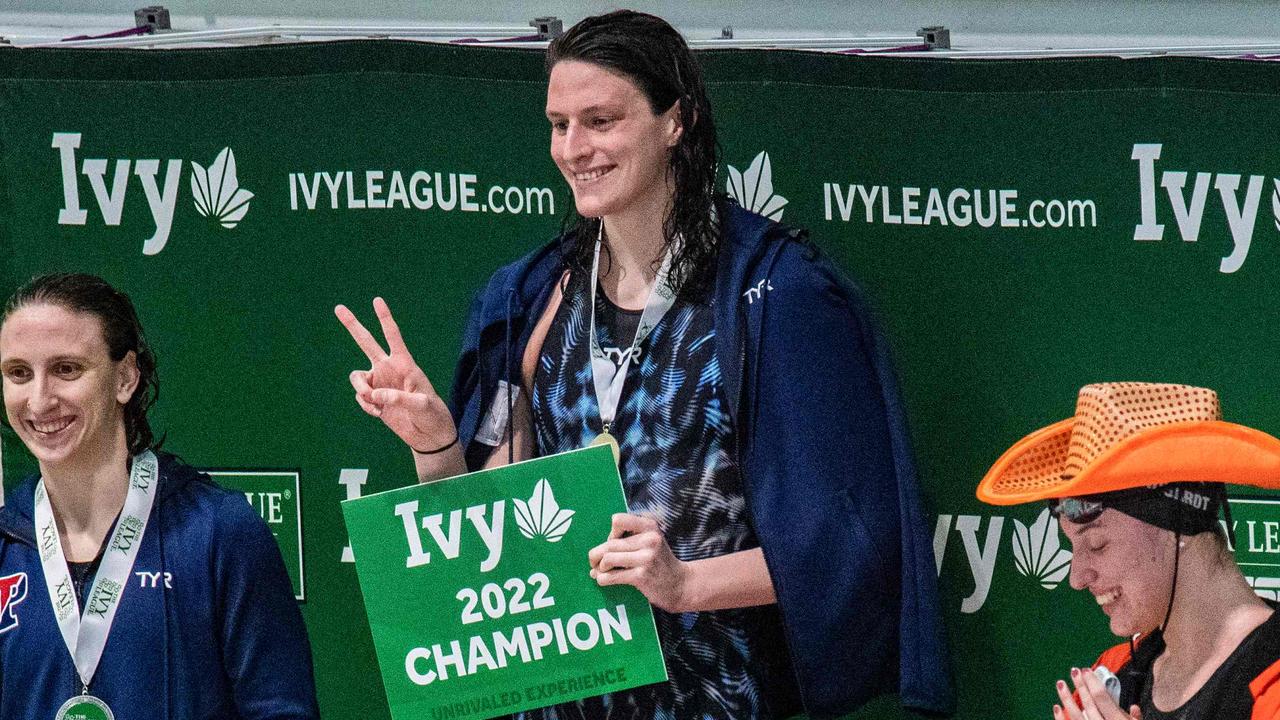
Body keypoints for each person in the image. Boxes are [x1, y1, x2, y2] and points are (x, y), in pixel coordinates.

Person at [337, 10, 953, 719]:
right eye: (558, 124)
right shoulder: (529, 298)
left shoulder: (774, 294)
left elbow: (851, 551)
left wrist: (684, 584)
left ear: (676, 121)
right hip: (560, 699)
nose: (574, 148)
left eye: (601, 120)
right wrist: (435, 444)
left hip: (721, 697)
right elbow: (489, 547)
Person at [0, 273, 319, 719]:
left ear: (125, 377)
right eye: (18, 373)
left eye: (66, 369)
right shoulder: (6, 545)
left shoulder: (218, 532)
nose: (38, 400)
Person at [977, 382, 1280, 720]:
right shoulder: (1111, 677)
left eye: (1097, 544)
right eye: (1073, 547)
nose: (1076, 578)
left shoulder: (1272, 684)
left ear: (1175, 525)